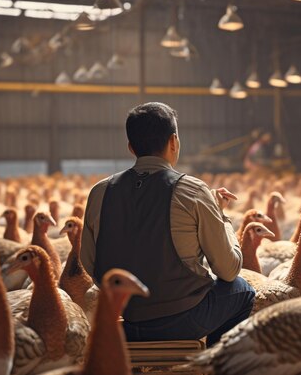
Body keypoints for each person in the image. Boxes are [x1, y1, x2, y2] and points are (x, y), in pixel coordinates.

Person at [80, 102, 254, 346]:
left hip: (129, 321)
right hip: (183, 322)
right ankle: (213, 364)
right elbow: (228, 269)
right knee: (243, 290)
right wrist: (220, 216)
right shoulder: (192, 190)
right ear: (174, 142)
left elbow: (90, 263)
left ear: (131, 147)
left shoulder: (100, 192)